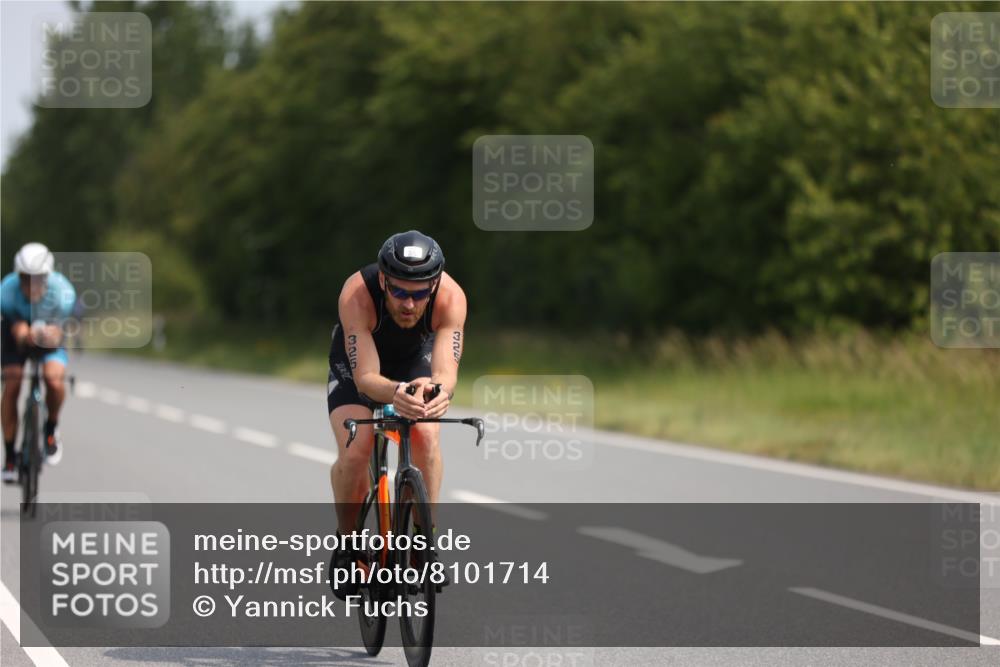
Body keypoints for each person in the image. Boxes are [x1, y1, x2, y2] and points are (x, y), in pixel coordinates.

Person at [326, 230, 466, 599]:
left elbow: (446, 372)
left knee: (426, 435)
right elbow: (366, 378)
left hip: (415, 358)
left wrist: (439, 392)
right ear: (384, 281)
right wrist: (395, 392)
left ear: (434, 285)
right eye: (400, 292)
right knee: (356, 450)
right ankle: (349, 546)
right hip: (360, 365)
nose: (409, 303)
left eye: (419, 294)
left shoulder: (451, 297)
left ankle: (423, 543)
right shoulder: (356, 294)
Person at [1, 243, 76, 482]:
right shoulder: (6, 292)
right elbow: (15, 328)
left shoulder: (63, 293)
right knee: (12, 384)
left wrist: (48, 335)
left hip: (50, 330)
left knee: (54, 380)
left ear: (48, 277)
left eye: (38, 279)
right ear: (18, 276)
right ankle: (10, 455)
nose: (31, 285)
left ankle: (51, 428)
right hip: (17, 331)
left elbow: (59, 331)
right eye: (26, 279)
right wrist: (24, 335)